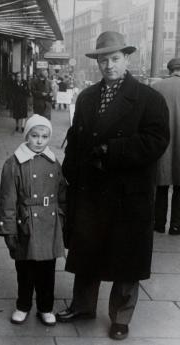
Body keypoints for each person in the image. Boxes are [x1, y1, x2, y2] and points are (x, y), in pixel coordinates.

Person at [56, 31, 170, 340]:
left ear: (127, 58)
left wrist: (113, 150)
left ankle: (120, 317)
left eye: (115, 59)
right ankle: (82, 305)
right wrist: (67, 175)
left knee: (127, 261)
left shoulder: (149, 99)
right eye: (103, 60)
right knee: (87, 252)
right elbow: (77, 141)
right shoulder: (88, 97)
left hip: (128, 195)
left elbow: (157, 140)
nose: (108, 65)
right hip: (91, 191)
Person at [0, 114, 66, 325]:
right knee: (25, 270)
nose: (39, 140)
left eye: (44, 136)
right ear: (27, 135)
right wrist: (9, 230)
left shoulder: (53, 162)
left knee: (48, 270)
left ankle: (46, 307)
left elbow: (62, 195)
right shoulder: (14, 163)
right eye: (34, 135)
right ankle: (23, 305)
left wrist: (61, 221)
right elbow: (7, 200)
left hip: (49, 224)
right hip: (25, 224)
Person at [153, 58, 180, 235]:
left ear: (169, 69)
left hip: (162, 143)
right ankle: (176, 225)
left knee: (161, 184)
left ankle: (159, 223)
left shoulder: (156, 87)